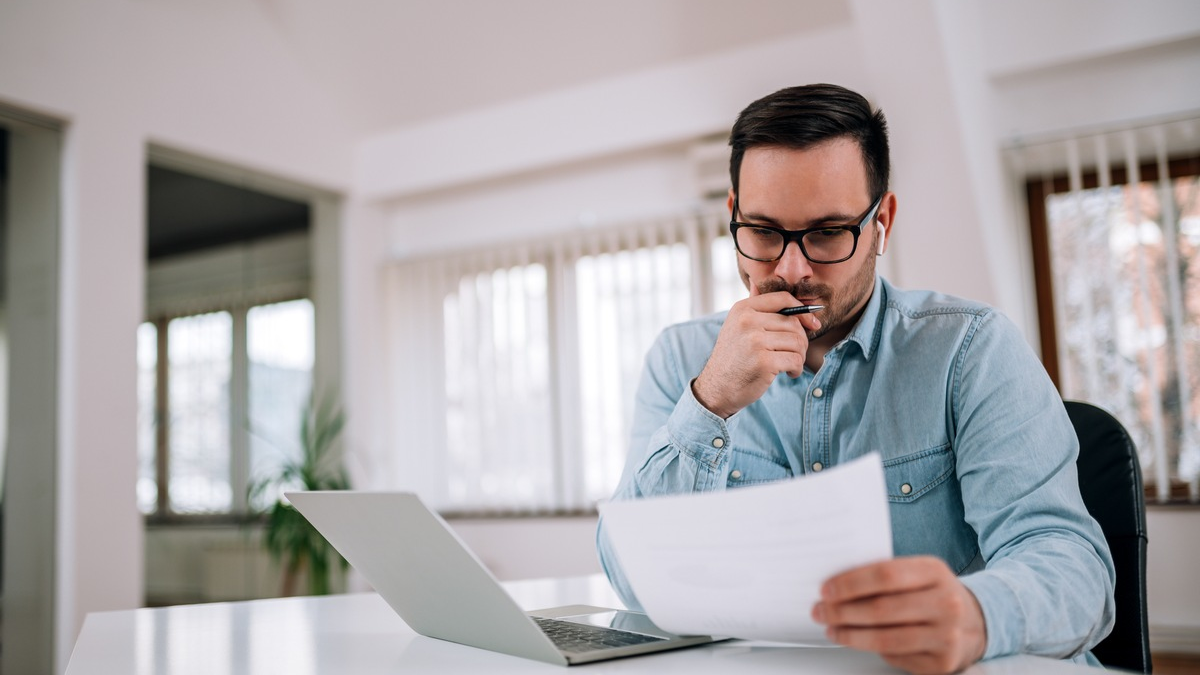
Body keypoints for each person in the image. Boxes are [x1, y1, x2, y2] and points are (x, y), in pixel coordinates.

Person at [596, 84, 1115, 675]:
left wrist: (976, 614)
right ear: (733, 216)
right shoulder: (682, 359)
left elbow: (1077, 572)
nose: (790, 270)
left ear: (881, 223)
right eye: (763, 232)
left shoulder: (971, 349)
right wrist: (709, 401)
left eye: (826, 234)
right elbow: (633, 584)